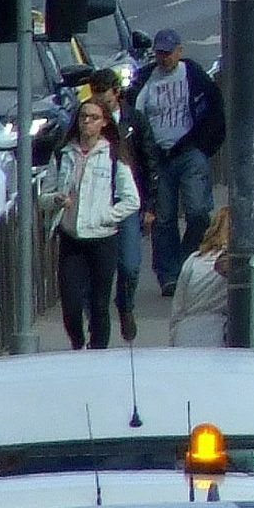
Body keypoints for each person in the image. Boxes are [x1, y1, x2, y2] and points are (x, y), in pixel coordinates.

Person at [127, 29, 226, 294]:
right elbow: (133, 116)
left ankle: (187, 261)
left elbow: (214, 110)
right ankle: (169, 274)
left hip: (190, 151)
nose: (164, 58)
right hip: (159, 157)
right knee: (164, 219)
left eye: (168, 53)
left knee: (197, 211)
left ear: (179, 52)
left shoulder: (193, 75)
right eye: (160, 52)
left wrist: (204, 146)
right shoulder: (146, 79)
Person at [47, 100, 142, 351]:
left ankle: (98, 351)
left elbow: (132, 199)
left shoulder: (112, 155)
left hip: (102, 238)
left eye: (93, 117)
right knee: (71, 302)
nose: (87, 122)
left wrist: (107, 215)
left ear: (104, 123)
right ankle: (77, 342)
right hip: (72, 238)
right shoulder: (64, 153)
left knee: (100, 303)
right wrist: (55, 199)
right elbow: (43, 195)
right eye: (83, 117)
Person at [84, 67, 145, 341]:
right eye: (95, 95)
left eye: (104, 97)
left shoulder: (133, 120)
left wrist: (152, 204)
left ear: (116, 94)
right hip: (95, 203)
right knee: (95, 269)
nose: (98, 102)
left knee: (130, 263)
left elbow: (148, 158)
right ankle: (95, 320)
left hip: (126, 202)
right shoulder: (85, 121)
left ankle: (126, 305)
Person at [167, 208, 232, 346]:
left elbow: (178, 306)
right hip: (217, 334)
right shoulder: (233, 264)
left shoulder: (194, 259)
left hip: (185, 331)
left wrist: (174, 337)